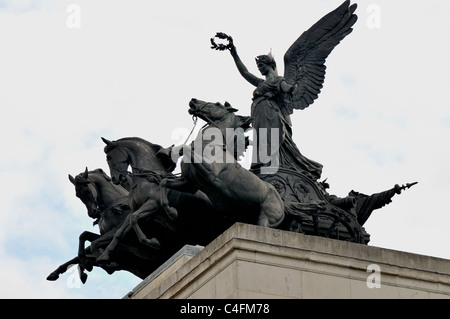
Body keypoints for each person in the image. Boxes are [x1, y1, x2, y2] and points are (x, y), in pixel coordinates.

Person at [228, 44, 323, 180]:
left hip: (270, 114)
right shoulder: (261, 83)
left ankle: (270, 166)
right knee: (261, 139)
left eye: (262, 65)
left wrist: (291, 88)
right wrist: (234, 54)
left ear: (270, 64)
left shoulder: (278, 80)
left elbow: (285, 87)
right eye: (258, 66)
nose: (260, 68)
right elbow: (245, 73)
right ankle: (261, 165)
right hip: (259, 115)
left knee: (268, 139)